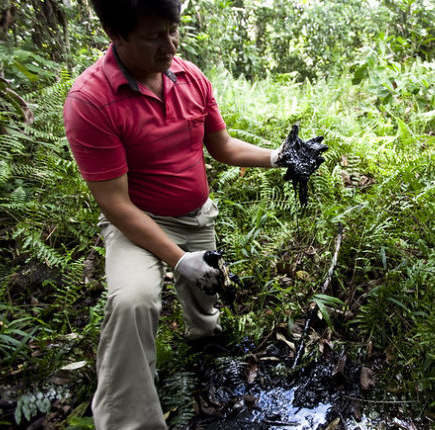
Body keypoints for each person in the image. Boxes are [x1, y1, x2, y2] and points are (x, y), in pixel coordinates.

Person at [62, 1, 307, 428]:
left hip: (196, 215)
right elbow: (115, 203)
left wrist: (278, 156)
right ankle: (128, 420)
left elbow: (222, 147)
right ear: (115, 34)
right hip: (136, 221)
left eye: (173, 29)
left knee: (207, 288)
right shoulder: (91, 101)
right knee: (133, 300)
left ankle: (204, 340)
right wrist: (176, 258)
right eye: (154, 36)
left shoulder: (190, 78)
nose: (170, 44)